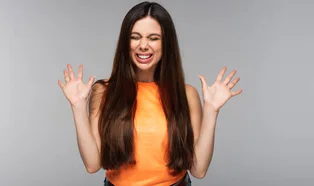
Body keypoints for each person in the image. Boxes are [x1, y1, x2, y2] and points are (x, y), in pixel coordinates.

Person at [57, 2, 242, 186]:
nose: (143, 45)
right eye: (135, 37)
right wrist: (78, 107)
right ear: (125, 42)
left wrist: (211, 110)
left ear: (166, 43)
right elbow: (92, 164)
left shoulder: (186, 94)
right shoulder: (104, 91)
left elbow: (199, 170)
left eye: (153, 38)